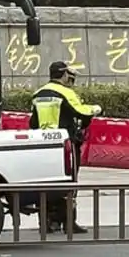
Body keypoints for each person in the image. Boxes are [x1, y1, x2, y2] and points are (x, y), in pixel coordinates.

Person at [29, 60, 102, 234]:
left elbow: (33, 123)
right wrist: (96, 109)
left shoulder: (38, 94)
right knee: (69, 181)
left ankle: (46, 222)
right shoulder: (66, 93)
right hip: (65, 145)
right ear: (63, 74)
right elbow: (81, 112)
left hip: (43, 145)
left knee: (46, 182)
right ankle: (69, 222)